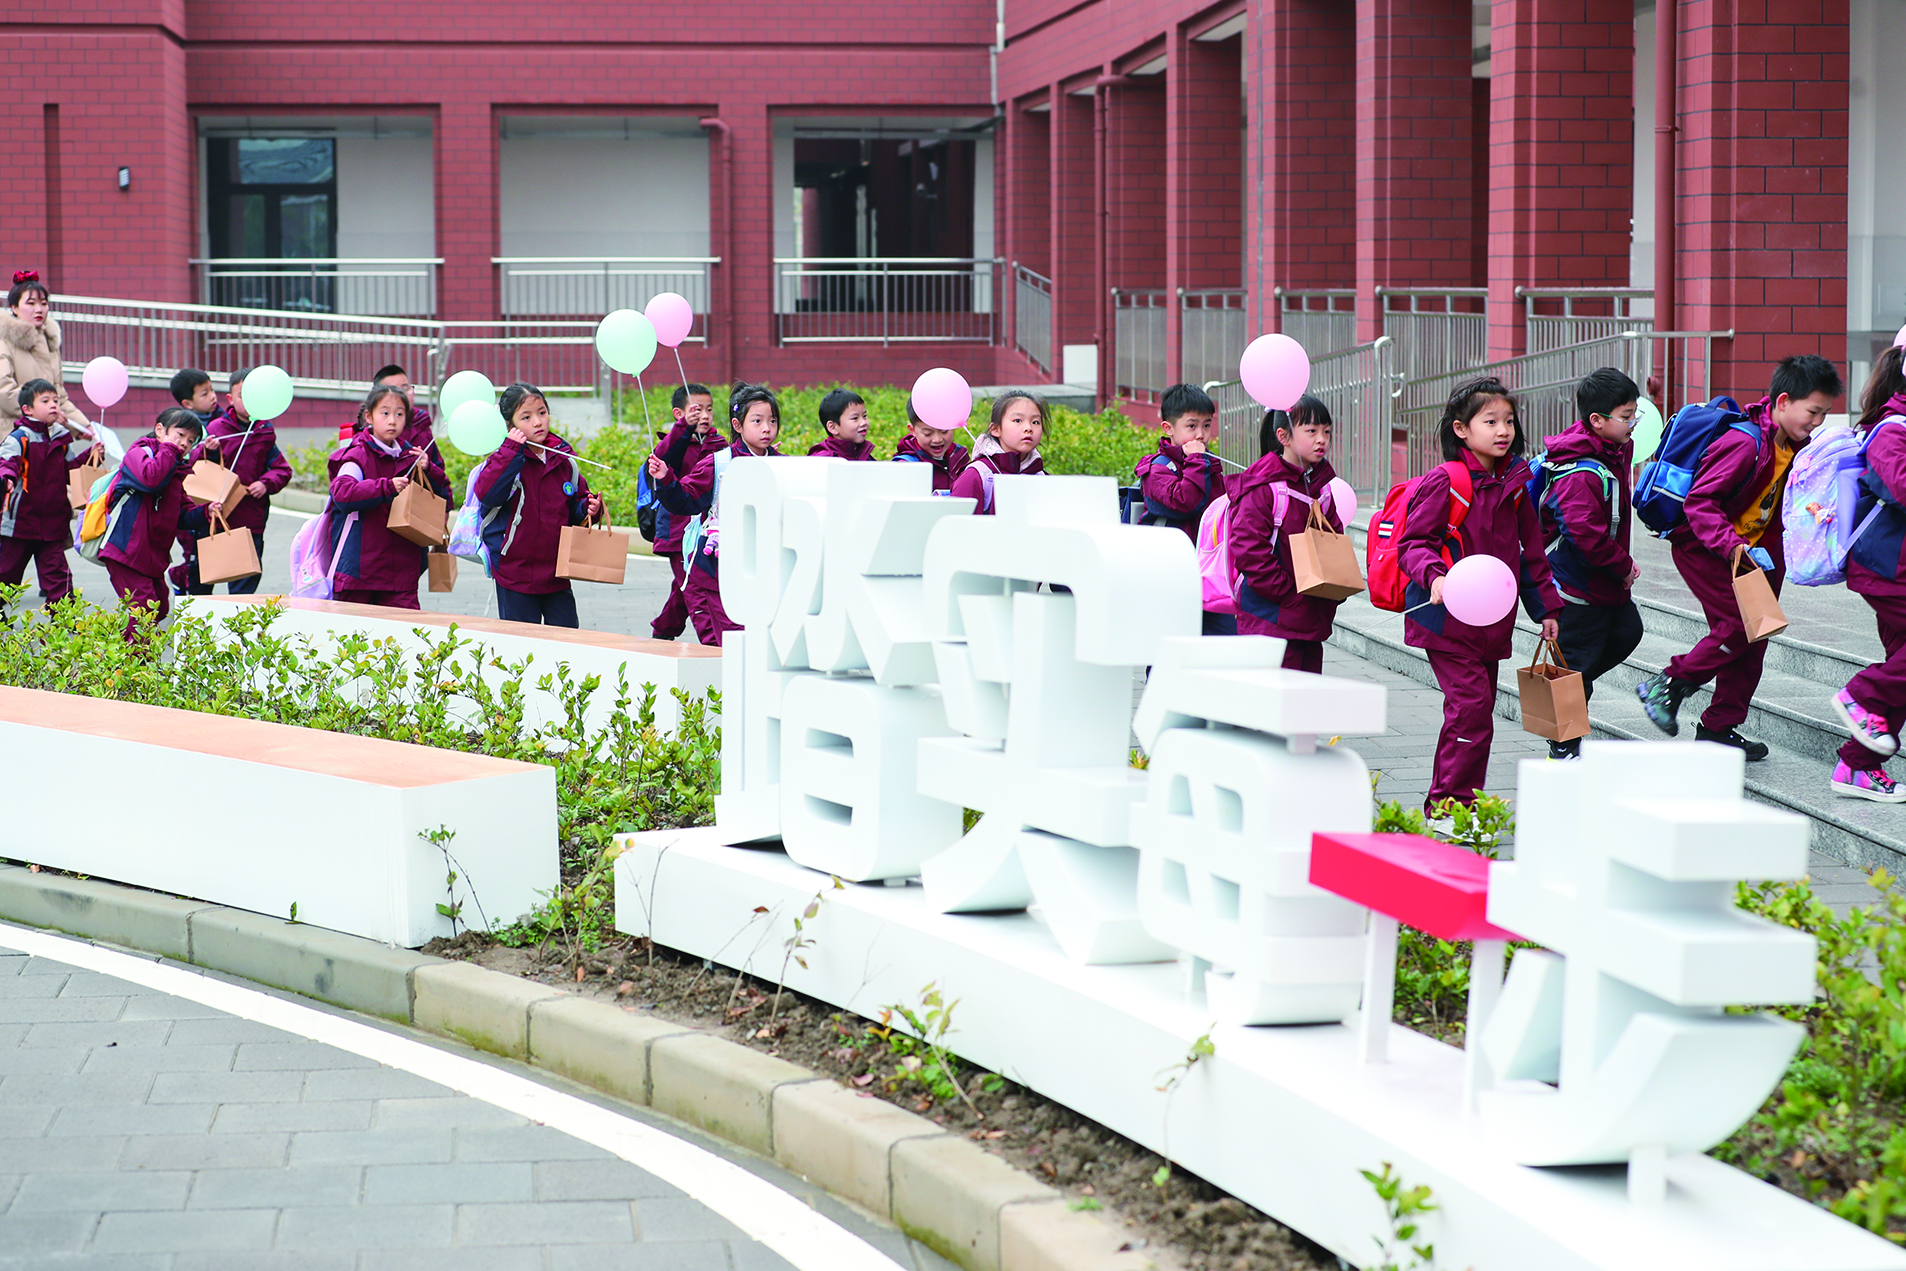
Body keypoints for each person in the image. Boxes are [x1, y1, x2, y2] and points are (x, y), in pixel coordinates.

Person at [1635, 355, 1843, 758]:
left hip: (1752, 556)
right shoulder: (1743, 442)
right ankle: (1667, 684)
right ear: (1783, 401)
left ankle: (1718, 727)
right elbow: (1700, 503)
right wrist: (1733, 547)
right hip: (1706, 548)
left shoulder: (1795, 446)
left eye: (1824, 414)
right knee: (1738, 626)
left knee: (1755, 636)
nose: (1817, 422)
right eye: (1813, 412)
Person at [1398, 377, 1562, 812]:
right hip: (1445, 619)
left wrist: (1546, 607)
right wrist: (1435, 577)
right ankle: (1450, 805)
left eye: (1508, 420)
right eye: (1490, 421)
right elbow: (1412, 545)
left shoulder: (1514, 486)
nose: (1503, 430)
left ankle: (1455, 805)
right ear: (1461, 430)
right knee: (1470, 709)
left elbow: (1531, 553)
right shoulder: (1446, 481)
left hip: (1492, 622)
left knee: (1475, 713)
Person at [1535, 367, 1644, 760]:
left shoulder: (1614, 448)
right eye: (1627, 416)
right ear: (1596, 421)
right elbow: (1586, 536)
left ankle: (1566, 700)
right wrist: (1623, 566)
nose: (1633, 423)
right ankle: (1562, 748)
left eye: (1635, 414)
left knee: (1626, 632)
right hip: (1577, 589)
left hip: (1605, 584)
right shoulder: (1577, 471)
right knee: (1575, 665)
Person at [1827, 346, 1906, 801]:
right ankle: (1862, 695)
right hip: (1887, 567)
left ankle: (1858, 767)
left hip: (1895, 566)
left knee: (1904, 666)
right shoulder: (1891, 429)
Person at [647, 382, 782, 646]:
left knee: (758, 642)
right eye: (757, 421)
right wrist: (665, 478)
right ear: (738, 425)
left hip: (758, 569)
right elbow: (685, 500)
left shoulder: (781, 465)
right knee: (729, 644)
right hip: (715, 572)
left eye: (772, 420)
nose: (767, 428)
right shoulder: (719, 462)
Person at [474, 382, 604, 628]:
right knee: (522, 645)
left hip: (557, 572)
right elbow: (487, 494)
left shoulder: (564, 460)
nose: (537, 422)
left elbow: (574, 504)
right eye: (526, 416)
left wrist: (588, 509)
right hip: (515, 573)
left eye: (542, 412)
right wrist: (511, 450)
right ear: (510, 425)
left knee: (567, 638)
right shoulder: (504, 458)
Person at [1229, 395, 1344, 661]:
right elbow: (1249, 551)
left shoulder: (1322, 489)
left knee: (1306, 699)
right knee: (1275, 699)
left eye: (1327, 431)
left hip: (1310, 618)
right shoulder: (1264, 487)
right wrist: (1289, 596)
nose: (1322, 439)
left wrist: (1334, 590)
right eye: (1312, 431)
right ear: (1284, 436)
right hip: (1270, 620)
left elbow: (1334, 540)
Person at [325, 383, 449, 610]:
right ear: (368, 417)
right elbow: (342, 493)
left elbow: (443, 494)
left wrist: (429, 468)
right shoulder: (357, 455)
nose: (392, 420)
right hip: (360, 571)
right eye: (385, 413)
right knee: (356, 637)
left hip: (403, 571)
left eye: (399, 414)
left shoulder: (411, 454)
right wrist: (386, 487)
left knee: (404, 637)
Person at [182, 366, 294, 597]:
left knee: (246, 581)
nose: (249, 401)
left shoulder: (264, 431)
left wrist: (266, 483)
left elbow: (282, 469)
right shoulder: (216, 429)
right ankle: (197, 626)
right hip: (215, 516)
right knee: (202, 579)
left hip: (250, 519)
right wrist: (208, 451)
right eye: (243, 395)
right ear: (230, 399)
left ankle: (239, 627)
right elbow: (194, 466)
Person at [98, 408, 208, 638]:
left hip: (151, 556)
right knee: (144, 608)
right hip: (126, 550)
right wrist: (169, 449)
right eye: (179, 435)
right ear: (159, 430)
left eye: (190, 440)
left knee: (160, 608)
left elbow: (182, 514)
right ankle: (134, 668)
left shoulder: (174, 468)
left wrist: (207, 512)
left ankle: (128, 657)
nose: (184, 444)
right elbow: (151, 479)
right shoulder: (139, 454)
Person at [0, 379, 95, 606]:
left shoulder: (61, 440)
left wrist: (92, 454)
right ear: (28, 409)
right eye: (45, 401)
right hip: (19, 524)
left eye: (56, 400)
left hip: (52, 524)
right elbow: (7, 462)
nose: (54, 405)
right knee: (6, 575)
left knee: (58, 577)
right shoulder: (19, 438)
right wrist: (8, 479)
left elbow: (71, 471)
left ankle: (64, 621)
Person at [650, 382, 724, 640]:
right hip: (679, 532)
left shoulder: (719, 444)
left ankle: (662, 633)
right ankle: (713, 642)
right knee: (696, 591)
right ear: (678, 414)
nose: (704, 415)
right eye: (696, 409)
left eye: (709, 409)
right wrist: (684, 429)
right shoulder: (675, 441)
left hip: (708, 532)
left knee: (684, 587)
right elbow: (661, 458)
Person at [0, 271, 90, 432]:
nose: (39, 309)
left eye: (43, 303)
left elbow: (59, 397)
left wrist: (83, 426)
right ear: (14, 308)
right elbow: (4, 392)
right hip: (13, 435)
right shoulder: (4, 341)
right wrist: (44, 412)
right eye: (31, 303)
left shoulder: (50, 343)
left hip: (46, 435)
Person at [1134, 383, 1221, 539]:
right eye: (1192, 426)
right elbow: (1186, 503)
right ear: (1168, 428)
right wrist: (1197, 460)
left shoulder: (1206, 463)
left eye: (1206, 425)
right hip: (1170, 556)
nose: (1201, 434)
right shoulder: (1156, 469)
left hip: (1204, 554)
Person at [951, 392, 1046, 514]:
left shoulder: (1041, 477)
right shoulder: (976, 476)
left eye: (1035, 422)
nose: (1028, 428)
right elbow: (958, 527)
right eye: (1018, 420)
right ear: (995, 429)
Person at [367, 363, 446, 468]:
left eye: (405, 388)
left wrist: (428, 467)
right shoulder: (366, 442)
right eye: (394, 390)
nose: (402, 395)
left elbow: (440, 474)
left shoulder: (421, 424)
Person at [892, 396, 970, 492]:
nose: (937, 439)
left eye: (944, 431)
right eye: (927, 434)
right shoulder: (907, 466)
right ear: (912, 430)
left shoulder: (959, 457)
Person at [808, 389, 875, 460]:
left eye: (864, 416)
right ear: (833, 427)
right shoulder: (824, 460)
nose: (863, 423)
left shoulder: (864, 455)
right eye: (855, 418)